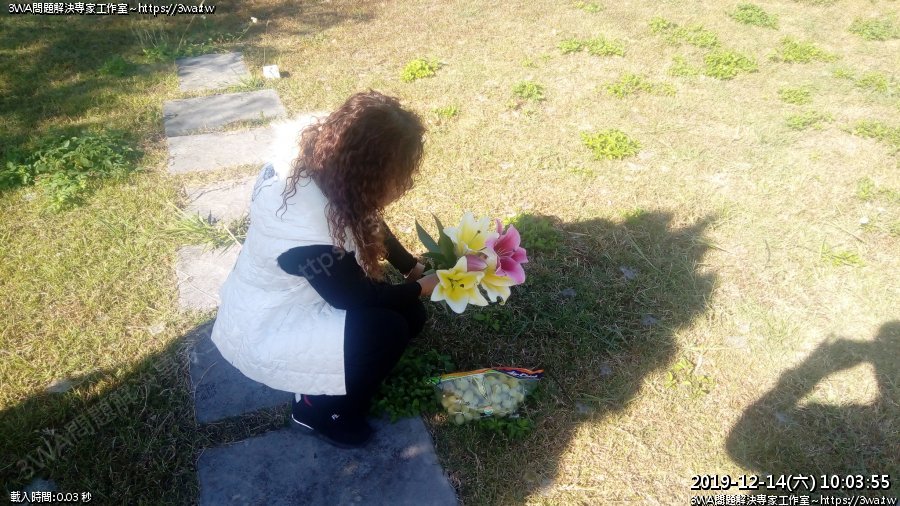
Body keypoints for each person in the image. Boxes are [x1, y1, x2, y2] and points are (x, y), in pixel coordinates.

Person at [210, 90, 440, 449]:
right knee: (388, 330)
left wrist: (411, 267)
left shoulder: (327, 162)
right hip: (270, 323)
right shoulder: (303, 227)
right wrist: (423, 287)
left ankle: (340, 378)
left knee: (410, 316)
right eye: (395, 176)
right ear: (366, 172)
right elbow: (353, 297)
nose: (400, 186)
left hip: (306, 294)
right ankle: (317, 409)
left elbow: (368, 217)